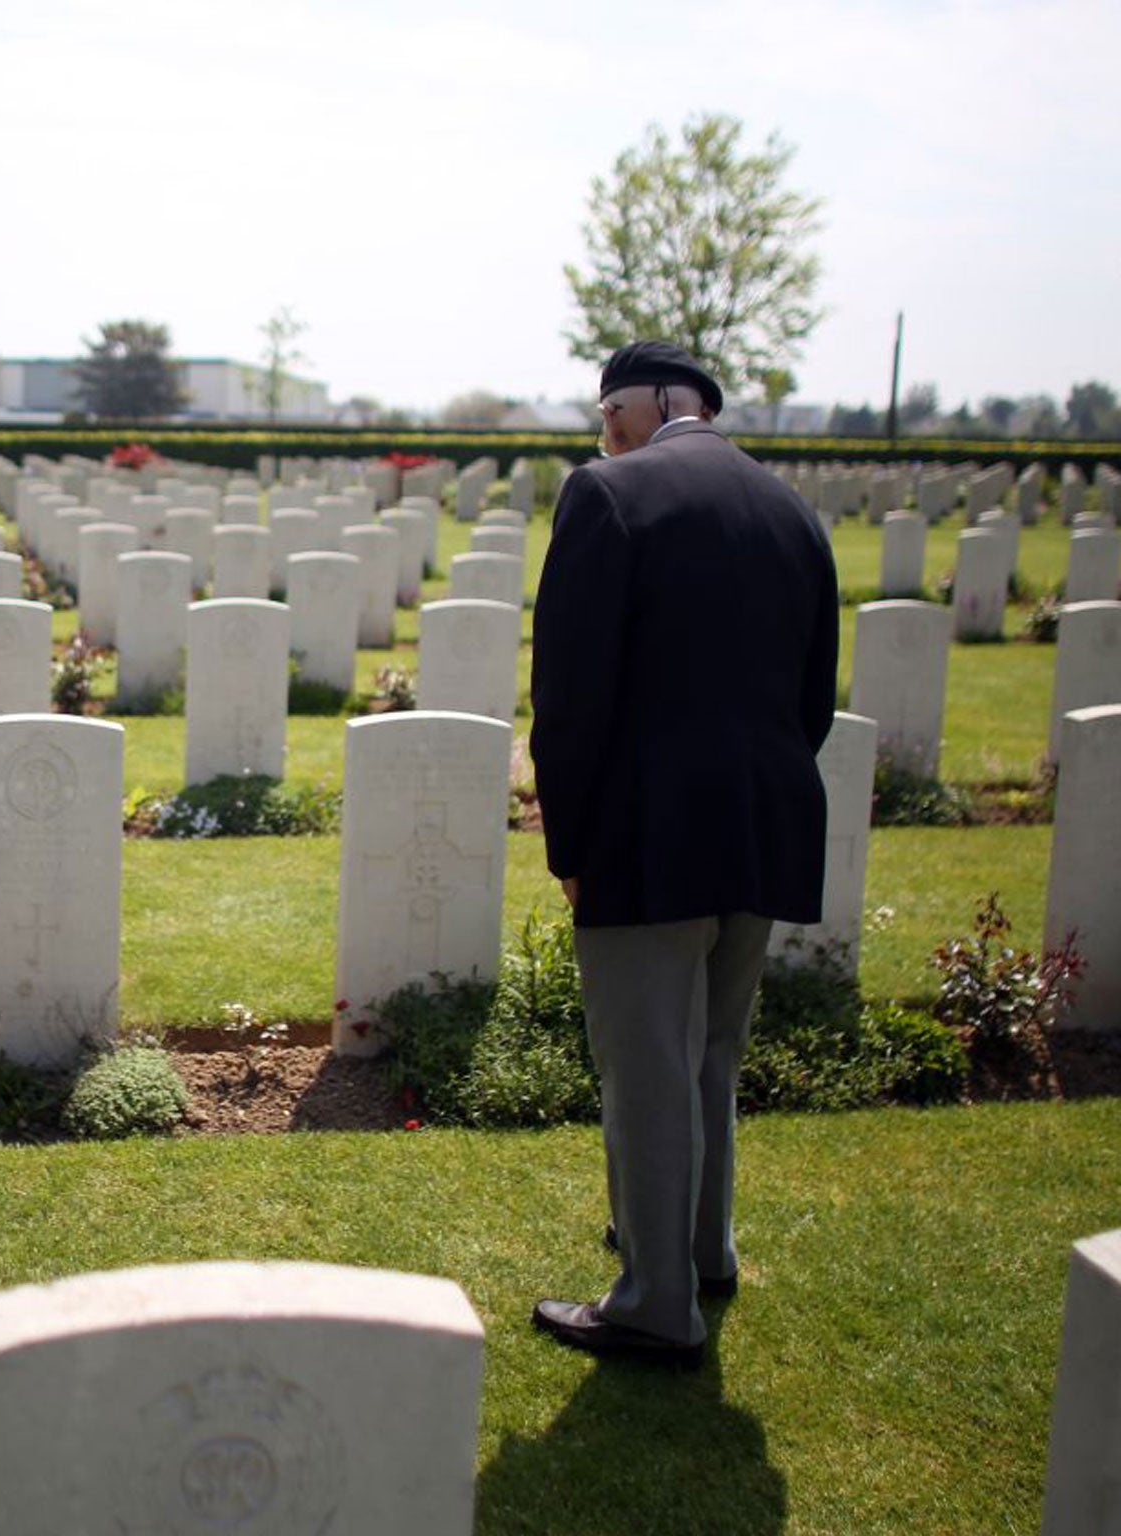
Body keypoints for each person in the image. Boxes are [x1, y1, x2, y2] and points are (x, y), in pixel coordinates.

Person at [527, 340, 838, 1363]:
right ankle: (704, 1251)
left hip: (645, 829)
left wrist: (568, 839)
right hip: (761, 818)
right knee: (709, 1051)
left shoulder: (604, 495)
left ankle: (656, 1304)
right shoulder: (788, 509)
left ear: (658, 401)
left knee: (646, 1069)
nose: (600, 431)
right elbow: (810, 694)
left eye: (607, 409)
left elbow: (570, 698)